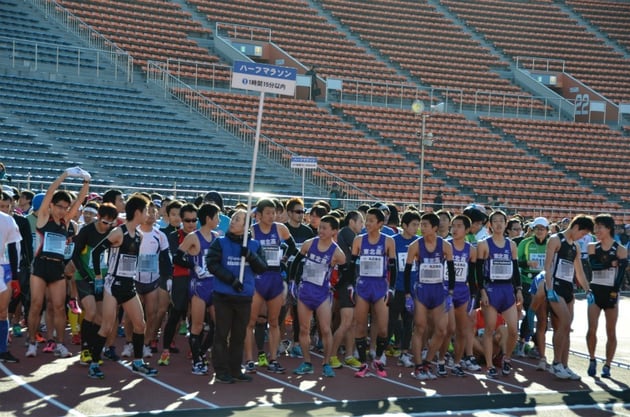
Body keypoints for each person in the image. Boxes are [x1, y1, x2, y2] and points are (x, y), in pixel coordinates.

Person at [89, 194, 157, 379]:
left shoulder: (140, 236)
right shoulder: (119, 232)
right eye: (146, 211)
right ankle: (94, 363)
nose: (148, 214)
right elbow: (96, 252)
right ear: (137, 212)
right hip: (113, 284)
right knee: (107, 326)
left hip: (128, 284)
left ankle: (138, 362)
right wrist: (98, 277)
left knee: (140, 324)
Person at [26, 167, 90, 359]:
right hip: (40, 266)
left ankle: (60, 344)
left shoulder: (66, 222)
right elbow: (49, 193)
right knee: (36, 305)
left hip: (57, 267)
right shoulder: (44, 217)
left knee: (60, 307)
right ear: (52, 206)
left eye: (65, 207)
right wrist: (65, 175)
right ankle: (32, 343)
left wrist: (86, 182)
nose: (63, 210)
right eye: (59, 206)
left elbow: (80, 201)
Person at [206, 209, 268, 384]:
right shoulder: (220, 242)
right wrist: (231, 280)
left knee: (239, 335)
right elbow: (211, 263)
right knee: (222, 333)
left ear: (246, 225)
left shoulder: (254, 245)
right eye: (233, 218)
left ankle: (235, 369)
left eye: (238, 219)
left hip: (244, 296)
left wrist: (250, 256)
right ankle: (220, 371)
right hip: (223, 295)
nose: (233, 221)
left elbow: (262, 268)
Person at [244, 198, 297, 373]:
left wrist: (284, 258)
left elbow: (293, 247)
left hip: (274, 277)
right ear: (258, 215)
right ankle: (250, 360)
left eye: (273, 212)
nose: (271, 216)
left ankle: (273, 358)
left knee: (274, 321)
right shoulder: (252, 231)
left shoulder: (280, 228)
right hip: (258, 278)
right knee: (251, 321)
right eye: (267, 212)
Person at [290, 215, 346, 377]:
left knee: (325, 329)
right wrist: (293, 281)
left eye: (324, 228)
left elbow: (345, 271)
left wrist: (335, 285)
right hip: (305, 291)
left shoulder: (337, 253)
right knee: (304, 328)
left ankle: (326, 363)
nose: (320, 230)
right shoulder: (309, 244)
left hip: (322, 294)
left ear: (334, 231)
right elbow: (295, 263)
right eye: (320, 227)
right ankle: (307, 362)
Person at [405, 212, 455, 380]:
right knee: (419, 328)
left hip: (439, 291)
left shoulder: (445, 246)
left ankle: (427, 363)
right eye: (421, 225)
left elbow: (452, 271)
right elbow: (407, 272)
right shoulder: (415, 246)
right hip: (422, 291)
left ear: (434, 228)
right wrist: (408, 295)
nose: (422, 228)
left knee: (441, 330)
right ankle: (418, 366)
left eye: (425, 225)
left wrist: (450, 293)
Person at [544, 214, 593, 380]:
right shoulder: (555, 240)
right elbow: (548, 266)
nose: (583, 237)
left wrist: (588, 289)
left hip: (568, 289)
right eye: (583, 233)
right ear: (576, 227)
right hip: (555, 287)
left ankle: (564, 365)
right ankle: (556, 363)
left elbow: (579, 271)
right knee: (564, 322)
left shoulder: (576, 247)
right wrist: (549, 288)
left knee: (566, 328)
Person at [121, 200, 172, 362]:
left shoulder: (160, 235)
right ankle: (129, 343)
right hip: (134, 279)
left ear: (157, 214)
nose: (150, 214)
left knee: (152, 313)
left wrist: (168, 278)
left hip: (153, 279)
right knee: (131, 315)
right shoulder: (133, 232)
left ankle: (146, 344)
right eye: (147, 211)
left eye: (154, 211)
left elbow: (165, 259)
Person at [173, 203, 221, 375]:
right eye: (216, 217)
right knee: (198, 325)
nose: (218, 220)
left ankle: (200, 353)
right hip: (199, 286)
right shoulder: (193, 237)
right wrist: (193, 267)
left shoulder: (217, 237)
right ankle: (196, 362)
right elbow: (177, 258)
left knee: (218, 325)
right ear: (208, 219)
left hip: (213, 284)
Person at [350, 207, 396, 378]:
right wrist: (351, 286)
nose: (367, 224)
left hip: (380, 286)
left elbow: (394, 267)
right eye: (366, 220)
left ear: (380, 223)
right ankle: (363, 363)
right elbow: (352, 266)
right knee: (360, 325)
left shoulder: (388, 241)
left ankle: (377, 358)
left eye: (370, 221)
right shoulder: (359, 240)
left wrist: (390, 288)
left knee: (383, 329)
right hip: (363, 285)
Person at [476, 210, 522, 379]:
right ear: (490, 224)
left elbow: (515, 270)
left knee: (513, 331)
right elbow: (478, 271)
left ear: (505, 224)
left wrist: (518, 289)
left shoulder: (511, 245)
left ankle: (506, 358)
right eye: (494, 221)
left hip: (507, 290)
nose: (498, 224)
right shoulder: (484, 244)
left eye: (501, 221)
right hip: (491, 289)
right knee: (489, 329)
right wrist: (482, 291)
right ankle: (489, 365)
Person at [72, 202, 118, 366]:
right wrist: (86, 276)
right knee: (90, 311)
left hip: (103, 280)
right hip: (85, 277)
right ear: (98, 217)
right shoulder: (87, 231)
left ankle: (93, 348)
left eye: (110, 223)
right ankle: (84, 349)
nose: (106, 226)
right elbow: (75, 256)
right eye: (104, 222)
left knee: (100, 317)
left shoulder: (113, 233)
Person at [586, 214, 627, 378]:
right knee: (592, 329)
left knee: (611, 331)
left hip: (611, 291)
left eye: (599, 227)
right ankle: (592, 359)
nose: (596, 231)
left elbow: (621, 273)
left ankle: (608, 365)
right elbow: (593, 267)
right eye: (595, 228)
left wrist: (614, 292)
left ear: (608, 228)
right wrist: (610, 263)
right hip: (595, 290)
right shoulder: (592, 246)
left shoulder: (620, 249)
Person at [158, 203, 198, 366]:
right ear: (182, 220)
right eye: (187, 220)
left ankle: (194, 350)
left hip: (197, 280)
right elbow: (176, 258)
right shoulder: (173, 237)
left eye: (194, 220)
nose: (191, 223)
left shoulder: (201, 236)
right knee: (175, 314)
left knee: (197, 316)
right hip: (179, 279)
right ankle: (166, 349)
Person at [442, 214, 478, 377]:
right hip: (445, 291)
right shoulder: (444, 245)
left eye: (459, 226)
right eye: (453, 226)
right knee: (449, 329)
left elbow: (472, 276)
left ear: (467, 230)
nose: (455, 229)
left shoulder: (471, 250)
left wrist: (473, 296)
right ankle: (441, 360)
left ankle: (457, 363)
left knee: (462, 331)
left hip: (463, 292)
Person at [330, 210, 363, 369]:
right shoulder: (348, 233)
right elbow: (361, 248)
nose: (362, 226)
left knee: (353, 322)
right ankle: (332, 355)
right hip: (346, 282)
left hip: (354, 281)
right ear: (352, 221)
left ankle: (349, 355)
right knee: (346, 322)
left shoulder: (349, 234)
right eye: (361, 222)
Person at [283, 197, 315, 359]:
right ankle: (281, 341)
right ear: (289, 213)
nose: (301, 215)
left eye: (303, 212)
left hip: (300, 276)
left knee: (297, 311)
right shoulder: (283, 230)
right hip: (283, 275)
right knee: (281, 311)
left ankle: (296, 343)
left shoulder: (307, 232)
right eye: (298, 212)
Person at [515, 217, 549, 358]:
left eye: (542, 228)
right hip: (528, 281)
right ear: (533, 230)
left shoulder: (551, 244)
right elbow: (516, 261)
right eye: (537, 228)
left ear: (547, 230)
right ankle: (523, 341)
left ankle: (536, 345)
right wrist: (527, 263)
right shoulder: (525, 243)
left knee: (543, 315)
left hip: (545, 283)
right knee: (530, 311)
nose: (539, 231)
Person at [391, 210, 420, 369]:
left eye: (418, 224)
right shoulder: (393, 241)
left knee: (409, 323)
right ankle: (383, 351)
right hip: (397, 287)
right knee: (392, 320)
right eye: (414, 225)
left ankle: (404, 353)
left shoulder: (418, 242)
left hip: (413, 289)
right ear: (404, 225)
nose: (416, 228)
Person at [0, 186, 22, 363]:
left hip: (2, 268)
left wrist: (14, 277)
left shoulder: (7, 220)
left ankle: (2, 349)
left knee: (2, 312)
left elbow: (14, 249)